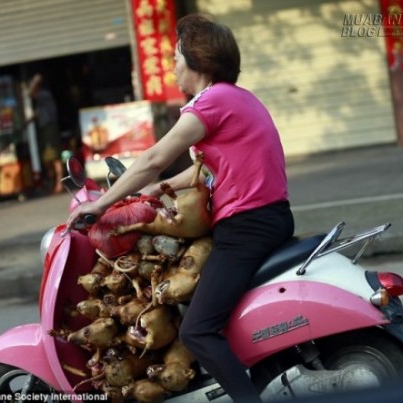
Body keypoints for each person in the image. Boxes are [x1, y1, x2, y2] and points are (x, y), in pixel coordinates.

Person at [67, 13, 294, 402]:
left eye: (175, 58)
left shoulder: (211, 101)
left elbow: (155, 157)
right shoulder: (237, 98)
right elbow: (207, 170)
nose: (172, 67)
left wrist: (102, 204)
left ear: (197, 61)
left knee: (197, 330)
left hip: (246, 228)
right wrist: (155, 189)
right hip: (265, 218)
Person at [28, 74, 64, 194]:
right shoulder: (42, 102)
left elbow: (30, 93)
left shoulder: (44, 94)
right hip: (45, 129)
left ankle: (59, 183)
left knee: (54, 157)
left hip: (50, 129)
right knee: (48, 159)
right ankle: (54, 182)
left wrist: (35, 80)